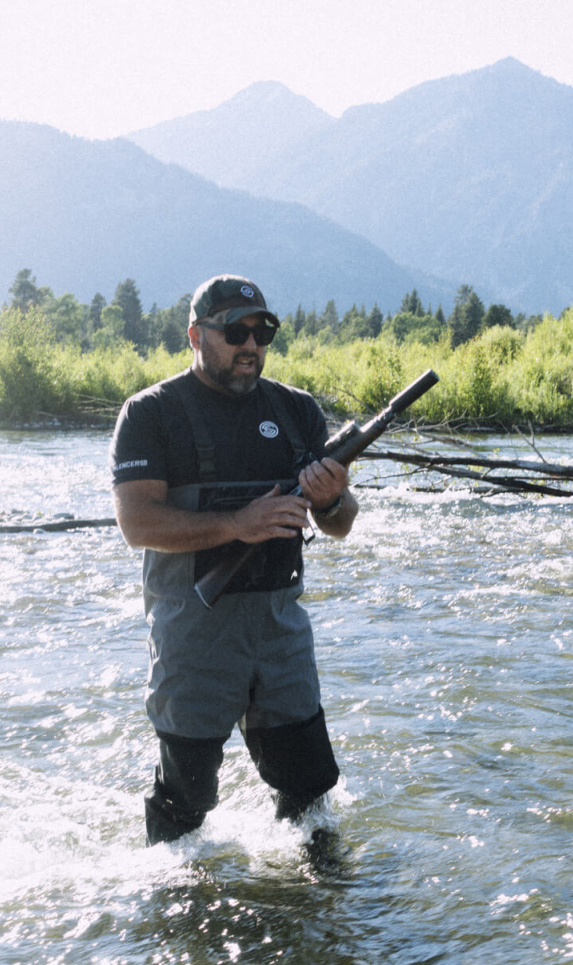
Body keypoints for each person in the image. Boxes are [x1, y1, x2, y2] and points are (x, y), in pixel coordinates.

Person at [109, 273, 359, 845]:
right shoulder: (150, 413)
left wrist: (331, 498)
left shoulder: (297, 411)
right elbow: (136, 523)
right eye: (235, 332)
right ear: (197, 335)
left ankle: (323, 909)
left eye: (262, 331)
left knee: (310, 793)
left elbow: (340, 525)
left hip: (281, 635)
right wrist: (235, 525)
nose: (251, 344)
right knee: (184, 804)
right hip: (193, 639)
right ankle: (174, 911)